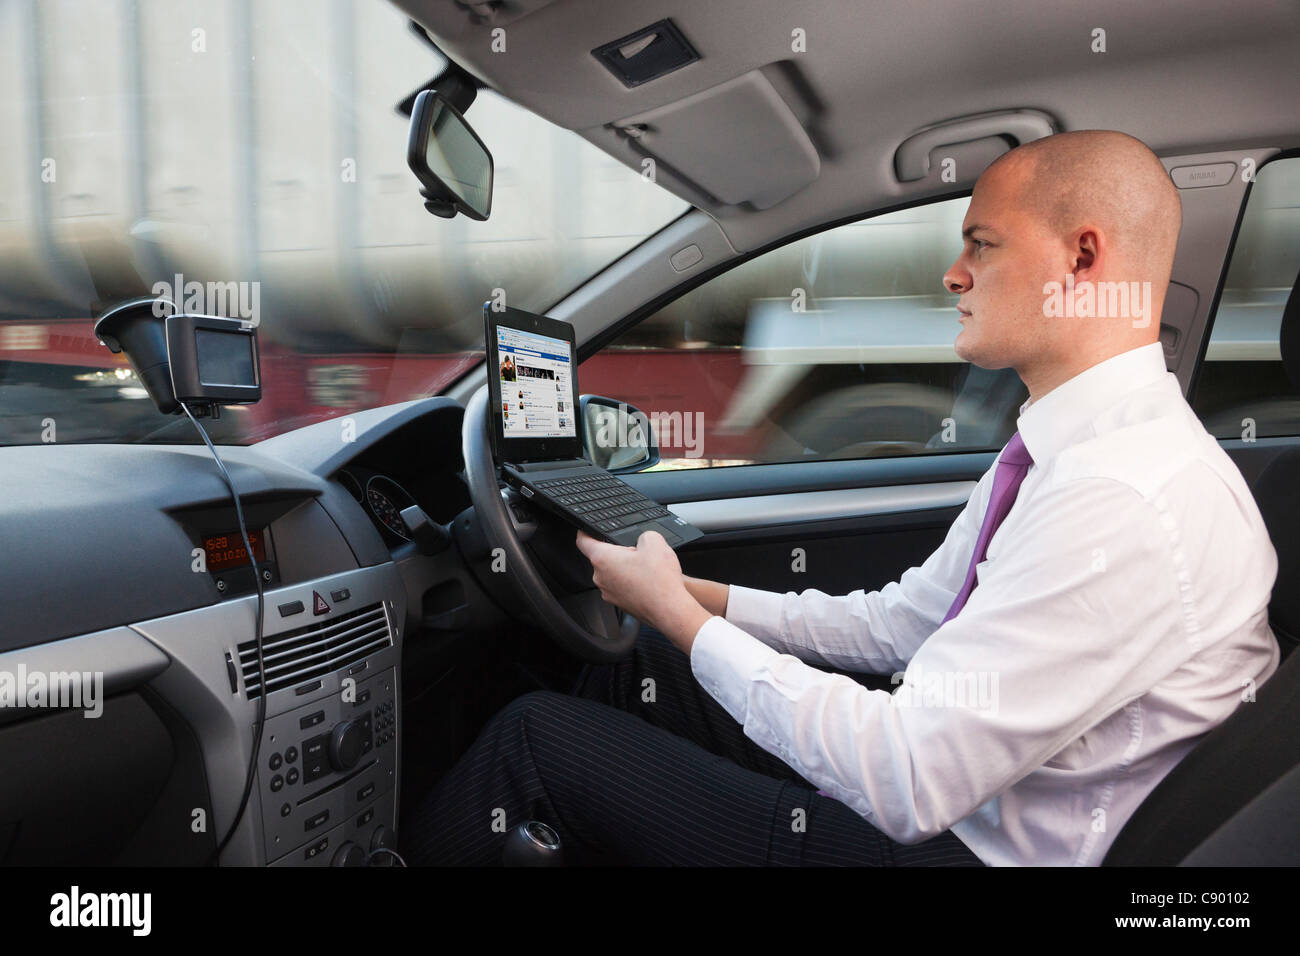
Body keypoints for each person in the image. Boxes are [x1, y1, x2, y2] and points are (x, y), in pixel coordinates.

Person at [405, 130, 1280, 866]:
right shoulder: (1069, 450)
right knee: (637, 663)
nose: (953, 273)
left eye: (982, 243)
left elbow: (907, 780)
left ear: (1082, 256)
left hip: (952, 846)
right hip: (962, 800)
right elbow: (903, 624)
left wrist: (679, 615)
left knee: (533, 741)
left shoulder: (1121, 499)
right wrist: (687, 598)